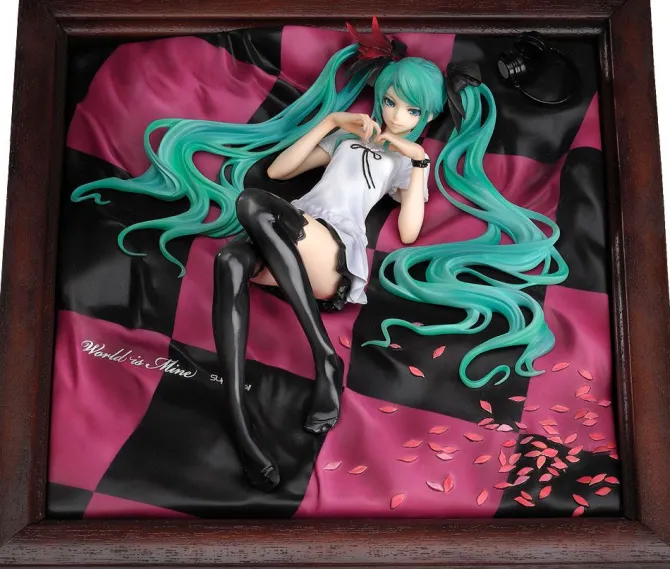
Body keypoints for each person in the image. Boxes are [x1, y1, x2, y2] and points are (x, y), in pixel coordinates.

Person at [71, 18, 568, 491]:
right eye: (390, 102)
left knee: (252, 203)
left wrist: (418, 165)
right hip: (290, 231)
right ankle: (241, 424)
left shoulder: (405, 162)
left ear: (429, 117)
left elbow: (409, 231)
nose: (396, 116)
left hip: (331, 251)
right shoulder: (348, 138)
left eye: (412, 111)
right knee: (229, 260)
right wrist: (332, 121)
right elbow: (282, 171)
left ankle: (324, 357)